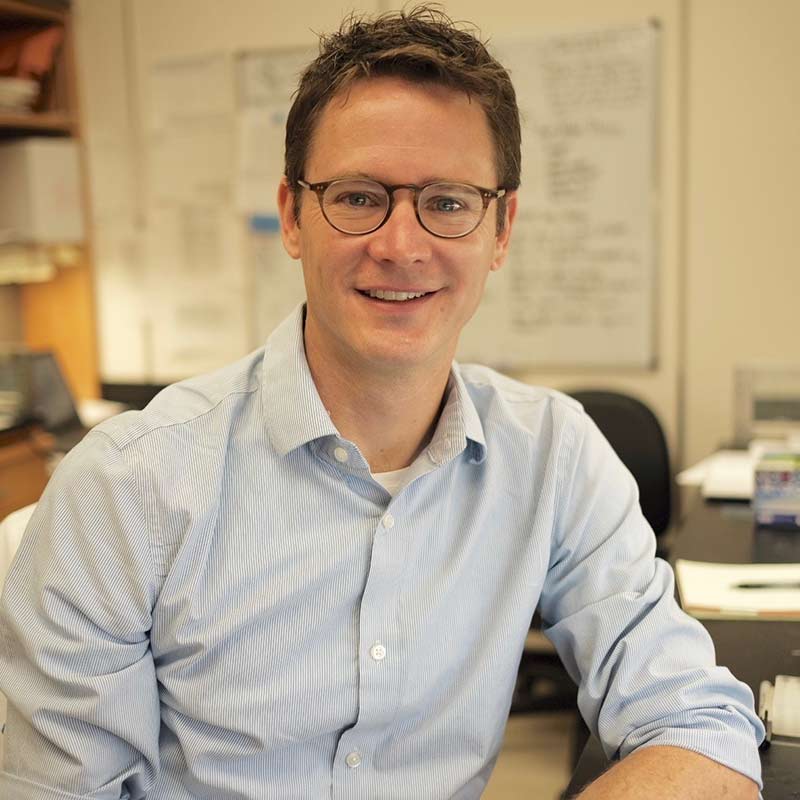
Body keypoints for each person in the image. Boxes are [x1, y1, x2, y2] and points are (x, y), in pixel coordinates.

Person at [0, 7, 763, 800]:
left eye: (449, 201)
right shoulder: (125, 489)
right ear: (293, 217)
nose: (402, 245)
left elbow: (695, 722)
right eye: (359, 198)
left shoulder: (554, 455)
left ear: (500, 229)